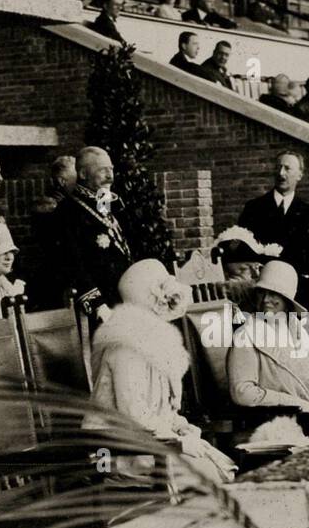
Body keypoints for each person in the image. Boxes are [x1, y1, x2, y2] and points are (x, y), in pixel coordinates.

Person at [88, 258, 235, 483]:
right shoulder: (125, 348)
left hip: (151, 443)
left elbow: (160, 410)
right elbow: (134, 414)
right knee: (205, 475)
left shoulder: (152, 344)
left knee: (223, 468)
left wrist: (181, 427)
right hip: (112, 450)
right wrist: (176, 440)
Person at [227, 260, 309, 440]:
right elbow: (242, 392)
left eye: (274, 294)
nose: (266, 300)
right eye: (262, 293)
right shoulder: (246, 335)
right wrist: (292, 402)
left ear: (287, 301)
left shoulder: (296, 331)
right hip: (280, 423)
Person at [238, 152, 309, 328]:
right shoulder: (254, 209)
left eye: (287, 168)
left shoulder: (308, 212)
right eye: (278, 167)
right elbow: (242, 256)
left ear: (299, 175)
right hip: (264, 299)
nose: (281, 173)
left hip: (296, 297)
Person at [51, 146, 137, 322]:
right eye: (102, 170)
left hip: (126, 297)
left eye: (111, 169)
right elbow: (72, 263)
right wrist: (97, 304)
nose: (110, 176)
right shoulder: (68, 210)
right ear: (83, 174)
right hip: (101, 304)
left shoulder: (108, 201)